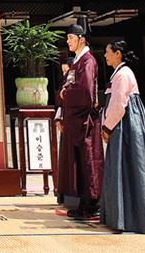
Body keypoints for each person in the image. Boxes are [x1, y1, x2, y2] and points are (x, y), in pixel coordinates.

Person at [101, 40, 145, 233]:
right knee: (122, 168)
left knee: (129, 167)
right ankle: (123, 217)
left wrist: (107, 127)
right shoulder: (119, 73)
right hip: (123, 124)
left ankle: (131, 218)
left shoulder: (123, 74)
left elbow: (119, 103)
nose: (105, 55)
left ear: (118, 54)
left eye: (108, 52)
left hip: (126, 126)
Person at [57, 17, 104, 219]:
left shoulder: (88, 61)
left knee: (89, 161)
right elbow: (68, 86)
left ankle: (93, 205)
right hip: (76, 120)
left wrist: (64, 94)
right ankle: (84, 203)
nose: (68, 42)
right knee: (81, 162)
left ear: (81, 39)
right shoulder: (78, 62)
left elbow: (83, 92)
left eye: (70, 38)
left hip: (86, 121)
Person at [55, 56, 74, 204]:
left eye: (66, 71)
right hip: (65, 121)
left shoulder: (77, 82)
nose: (64, 75)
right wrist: (58, 120)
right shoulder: (66, 83)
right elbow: (61, 103)